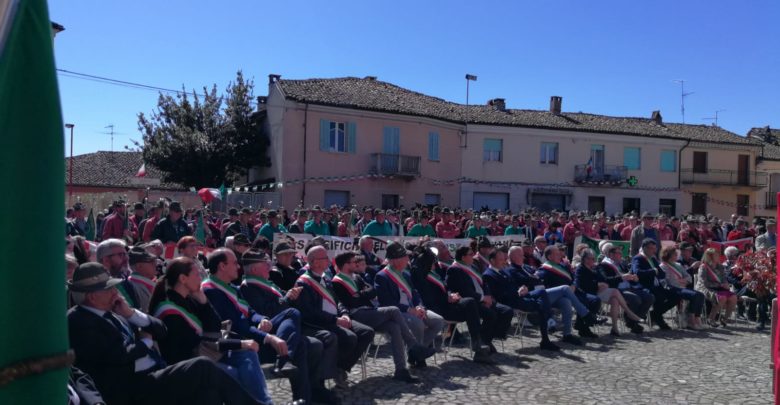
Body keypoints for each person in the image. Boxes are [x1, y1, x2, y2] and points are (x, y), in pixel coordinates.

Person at [67, 262, 261, 405]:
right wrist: (145, 343)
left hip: (151, 374)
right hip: (131, 388)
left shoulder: (116, 312)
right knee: (203, 366)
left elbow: (161, 330)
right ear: (92, 296)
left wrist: (132, 314)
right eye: (108, 289)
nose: (115, 292)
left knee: (208, 394)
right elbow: (118, 356)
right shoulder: (79, 320)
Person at [148, 257, 273, 404]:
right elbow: (198, 343)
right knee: (233, 372)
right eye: (196, 274)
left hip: (207, 354)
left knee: (247, 355)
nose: (200, 278)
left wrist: (203, 301)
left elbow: (215, 328)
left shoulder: (190, 299)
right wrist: (240, 343)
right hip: (188, 362)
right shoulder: (169, 310)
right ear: (183, 278)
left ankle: (264, 402)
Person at [238, 250, 328, 404]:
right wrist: (287, 298)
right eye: (265, 264)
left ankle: (309, 394)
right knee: (293, 314)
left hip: (286, 332)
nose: (269, 267)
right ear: (253, 269)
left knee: (315, 345)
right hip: (267, 333)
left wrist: (292, 296)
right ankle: (284, 359)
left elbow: (282, 303)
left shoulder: (268, 283)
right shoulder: (248, 287)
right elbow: (266, 312)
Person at [331, 251, 434, 382]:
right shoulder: (337, 281)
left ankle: (400, 370)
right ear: (345, 265)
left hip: (370, 312)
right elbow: (350, 302)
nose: (356, 264)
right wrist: (363, 294)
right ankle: (414, 346)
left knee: (394, 327)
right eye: (353, 262)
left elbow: (373, 290)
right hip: (356, 315)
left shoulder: (356, 277)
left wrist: (360, 294)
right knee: (393, 310)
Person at [295, 245, 374, 390]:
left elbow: (337, 301)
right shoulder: (303, 282)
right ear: (315, 262)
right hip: (320, 323)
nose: (329, 260)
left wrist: (344, 313)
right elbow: (310, 313)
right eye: (325, 258)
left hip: (336, 317)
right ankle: (327, 376)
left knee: (366, 332)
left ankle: (341, 366)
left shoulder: (326, 278)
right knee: (349, 337)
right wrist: (335, 320)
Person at [506, 246, 595, 345]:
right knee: (565, 288)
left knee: (566, 302)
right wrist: (533, 279)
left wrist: (533, 278)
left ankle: (567, 334)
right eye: (520, 255)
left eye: (522, 254)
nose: (523, 257)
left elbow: (535, 278)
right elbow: (528, 280)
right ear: (513, 257)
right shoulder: (511, 270)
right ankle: (586, 315)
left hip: (543, 294)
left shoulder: (525, 267)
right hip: (532, 297)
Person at [375, 242, 445, 367]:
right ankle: (418, 356)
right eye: (404, 257)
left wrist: (419, 306)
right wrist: (410, 310)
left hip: (413, 308)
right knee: (417, 323)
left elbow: (414, 292)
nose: (408, 259)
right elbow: (387, 302)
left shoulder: (406, 274)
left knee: (438, 321)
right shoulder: (382, 276)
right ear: (395, 260)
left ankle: (415, 353)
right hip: (397, 312)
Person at [483, 248, 559, 350]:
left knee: (542, 296)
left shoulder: (502, 271)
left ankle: (546, 335)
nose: (504, 261)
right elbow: (499, 295)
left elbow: (513, 285)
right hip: (510, 301)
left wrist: (522, 289)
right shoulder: (489, 275)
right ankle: (546, 337)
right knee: (542, 306)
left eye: (504, 258)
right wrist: (517, 293)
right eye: (501, 259)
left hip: (518, 296)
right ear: (492, 261)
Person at [445, 245, 514, 353]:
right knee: (491, 315)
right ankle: (483, 342)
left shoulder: (473, 267)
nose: (473, 256)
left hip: (483, 298)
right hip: (470, 302)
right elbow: (464, 291)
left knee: (507, 311)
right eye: (470, 254)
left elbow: (484, 284)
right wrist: (482, 298)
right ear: (463, 257)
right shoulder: (454, 270)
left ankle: (486, 339)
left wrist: (488, 297)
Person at [574, 249, 642, 336]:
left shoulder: (595, 267)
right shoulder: (581, 269)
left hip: (600, 291)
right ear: (585, 259)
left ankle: (615, 328)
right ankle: (629, 313)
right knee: (615, 292)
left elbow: (603, 279)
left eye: (594, 259)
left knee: (615, 299)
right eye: (591, 259)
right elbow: (584, 285)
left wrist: (601, 284)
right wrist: (598, 284)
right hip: (589, 292)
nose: (593, 261)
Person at [536, 245, 599, 339]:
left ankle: (576, 330)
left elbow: (574, 278)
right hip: (557, 297)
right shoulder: (545, 269)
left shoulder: (562, 266)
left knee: (594, 300)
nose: (560, 255)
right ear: (549, 257)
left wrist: (573, 285)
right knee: (568, 299)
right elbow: (543, 287)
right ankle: (585, 318)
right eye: (557, 254)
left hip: (573, 293)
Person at [596, 243, 653, 334]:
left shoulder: (622, 264)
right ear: (611, 255)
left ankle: (632, 321)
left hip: (629, 287)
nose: (621, 255)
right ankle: (631, 321)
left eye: (621, 253)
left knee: (649, 297)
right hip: (617, 290)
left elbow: (629, 275)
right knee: (635, 299)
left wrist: (634, 278)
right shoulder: (604, 265)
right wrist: (622, 278)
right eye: (618, 253)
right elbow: (606, 280)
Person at [631, 238, 679, 330]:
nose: (653, 250)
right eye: (650, 248)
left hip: (657, 285)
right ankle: (658, 318)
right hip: (645, 285)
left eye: (654, 248)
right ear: (644, 248)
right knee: (659, 297)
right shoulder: (638, 258)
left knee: (676, 296)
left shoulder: (652, 259)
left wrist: (656, 272)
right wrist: (653, 271)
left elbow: (661, 273)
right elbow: (638, 272)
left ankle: (654, 314)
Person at [658, 245, 705, 330]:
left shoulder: (678, 265)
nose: (677, 256)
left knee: (701, 295)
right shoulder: (663, 266)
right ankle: (691, 320)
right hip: (673, 289)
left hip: (682, 287)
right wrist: (680, 281)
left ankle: (697, 318)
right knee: (694, 295)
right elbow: (667, 281)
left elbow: (689, 277)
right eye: (674, 254)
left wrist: (685, 281)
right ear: (668, 255)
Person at [696, 247, 737, 327]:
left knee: (733, 297)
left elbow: (723, 279)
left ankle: (725, 319)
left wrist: (726, 284)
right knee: (722, 297)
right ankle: (711, 319)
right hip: (706, 288)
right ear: (709, 257)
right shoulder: (703, 267)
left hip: (719, 288)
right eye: (716, 255)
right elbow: (704, 282)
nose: (718, 257)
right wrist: (720, 285)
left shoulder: (720, 267)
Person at [127, 245, 158, 313]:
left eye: (155, 261)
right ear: (139, 266)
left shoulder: (143, 283)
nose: (155, 264)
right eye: (151, 261)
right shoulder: (135, 287)